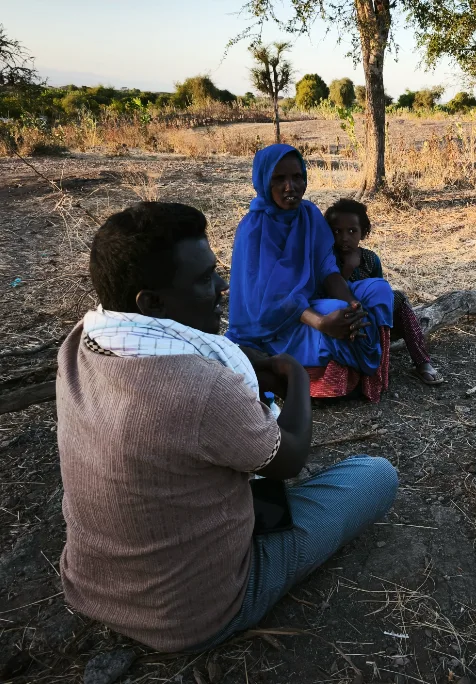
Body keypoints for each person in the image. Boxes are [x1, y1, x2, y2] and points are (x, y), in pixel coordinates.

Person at [56, 202, 398, 653]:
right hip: (192, 613)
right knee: (376, 473)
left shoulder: (82, 341)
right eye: (203, 279)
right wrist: (294, 374)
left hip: (89, 586)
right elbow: (289, 459)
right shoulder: (202, 386)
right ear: (152, 302)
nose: (220, 288)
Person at [226, 144, 394, 402]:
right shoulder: (254, 229)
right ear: (263, 181)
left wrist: (352, 304)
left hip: (310, 298)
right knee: (338, 320)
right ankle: (351, 373)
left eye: (297, 177)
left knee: (379, 291)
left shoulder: (309, 215)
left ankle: (377, 373)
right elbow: (269, 300)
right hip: (274, 323)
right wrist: (321, 323)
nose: (290, 187)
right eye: (279, 179)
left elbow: (327, 269)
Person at [324, 198, 444, 385]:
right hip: (345, 316)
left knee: (400, 301)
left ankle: (422, 361)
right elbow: (330, 292)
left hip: (375, 315)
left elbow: (381, 290)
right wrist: (347, 269)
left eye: (352, 231)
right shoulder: (328, 258)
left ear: (363, 233)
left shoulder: (370, 259)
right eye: (337, 231)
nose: (344, 237)